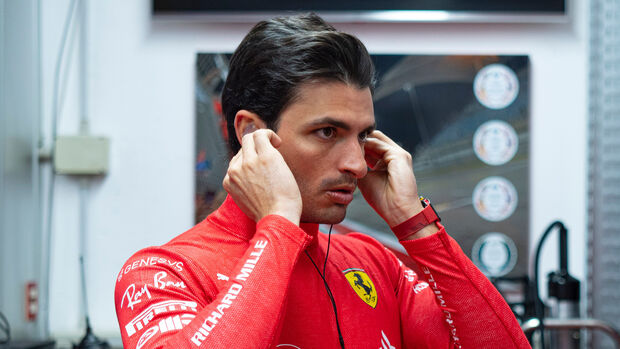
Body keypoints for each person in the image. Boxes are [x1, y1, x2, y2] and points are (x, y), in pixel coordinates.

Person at [114, 13, 531, 349]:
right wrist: (278, 226)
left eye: (363, 135)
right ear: (251, 134)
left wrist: (417, 226)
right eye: (327, 132)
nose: (357, 163)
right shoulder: (162, 272)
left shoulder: (374, 263)